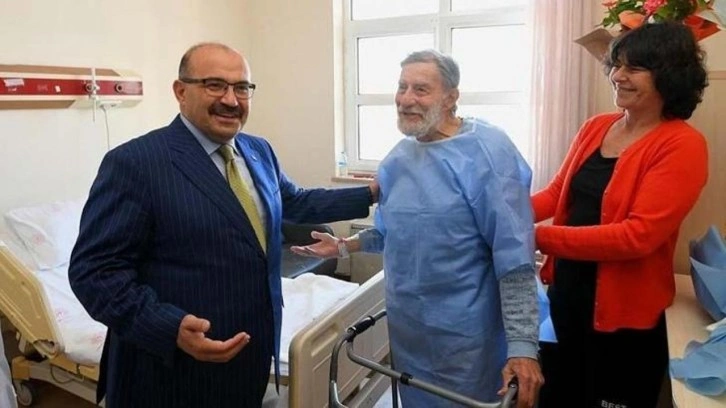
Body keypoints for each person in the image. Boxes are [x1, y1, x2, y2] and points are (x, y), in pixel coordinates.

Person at [68, 42, 377, 408]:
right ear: (181, 91)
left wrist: (372, 193)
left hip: (251, 348)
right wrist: (170, 327)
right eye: (214, 85)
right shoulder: (137, 163)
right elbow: (95, 272)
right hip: (172, 370)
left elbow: (295, 200)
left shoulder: (257, 150)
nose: (231, 100)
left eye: (241, 88)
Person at [292, 49, 543, 407]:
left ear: (451, 97)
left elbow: (514, 259)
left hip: (466, 337)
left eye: (421, 89)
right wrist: (344, 246)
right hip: (408, 330)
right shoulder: (398, 158)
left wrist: (522, 347)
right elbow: (393, 231)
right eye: (402, 87)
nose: (406, 99)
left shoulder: (487, 152)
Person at [532, 22, 709, 407]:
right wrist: (498, 213)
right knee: (562, 396)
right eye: (616, 65)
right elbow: (557, 194)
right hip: (567, 295)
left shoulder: (683, 145)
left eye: (634, 68)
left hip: (625, 316)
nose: (617, 76)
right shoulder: (596, 126)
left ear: (670, 75)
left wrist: (533, 237)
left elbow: (635, 237)